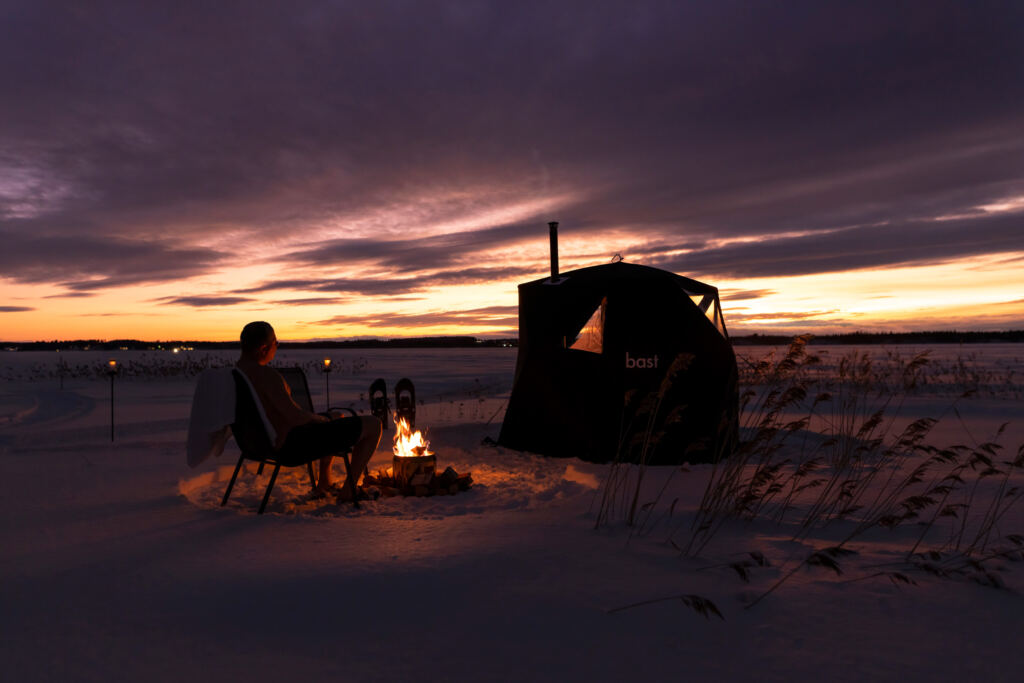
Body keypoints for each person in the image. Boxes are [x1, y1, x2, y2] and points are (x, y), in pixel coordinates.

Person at [236, 321, 382, 499]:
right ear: (264, 349)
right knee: (373, 424)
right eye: (276, 343)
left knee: (336, 416)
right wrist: (319, 419)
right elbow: (294, 416)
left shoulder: (234, 376)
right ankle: (349, 491)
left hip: (257, 444)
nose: (277, 347)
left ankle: (324, 482)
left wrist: (322, 419)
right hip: (290, 448)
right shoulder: (266, 376)